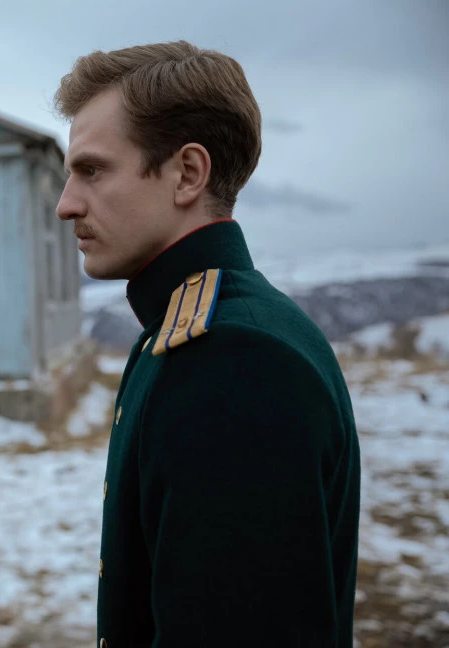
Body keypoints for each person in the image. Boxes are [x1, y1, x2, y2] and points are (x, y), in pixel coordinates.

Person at [54, 42, 360, 647]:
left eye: (92, 170)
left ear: (188, 174)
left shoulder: (232, 362)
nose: (66, 205)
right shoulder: (219, 328)